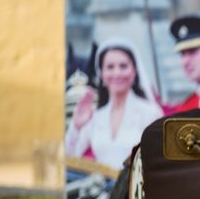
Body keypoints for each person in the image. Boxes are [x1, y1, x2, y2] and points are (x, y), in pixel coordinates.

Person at [65, 37, 163, 169]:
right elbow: (70, 157)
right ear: (102, 74)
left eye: (123, 66)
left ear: (134, 71)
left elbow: (161, 162)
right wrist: (76, 126)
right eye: (110, 67)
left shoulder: (150, 113)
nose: (117, 73)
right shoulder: (96, 117)